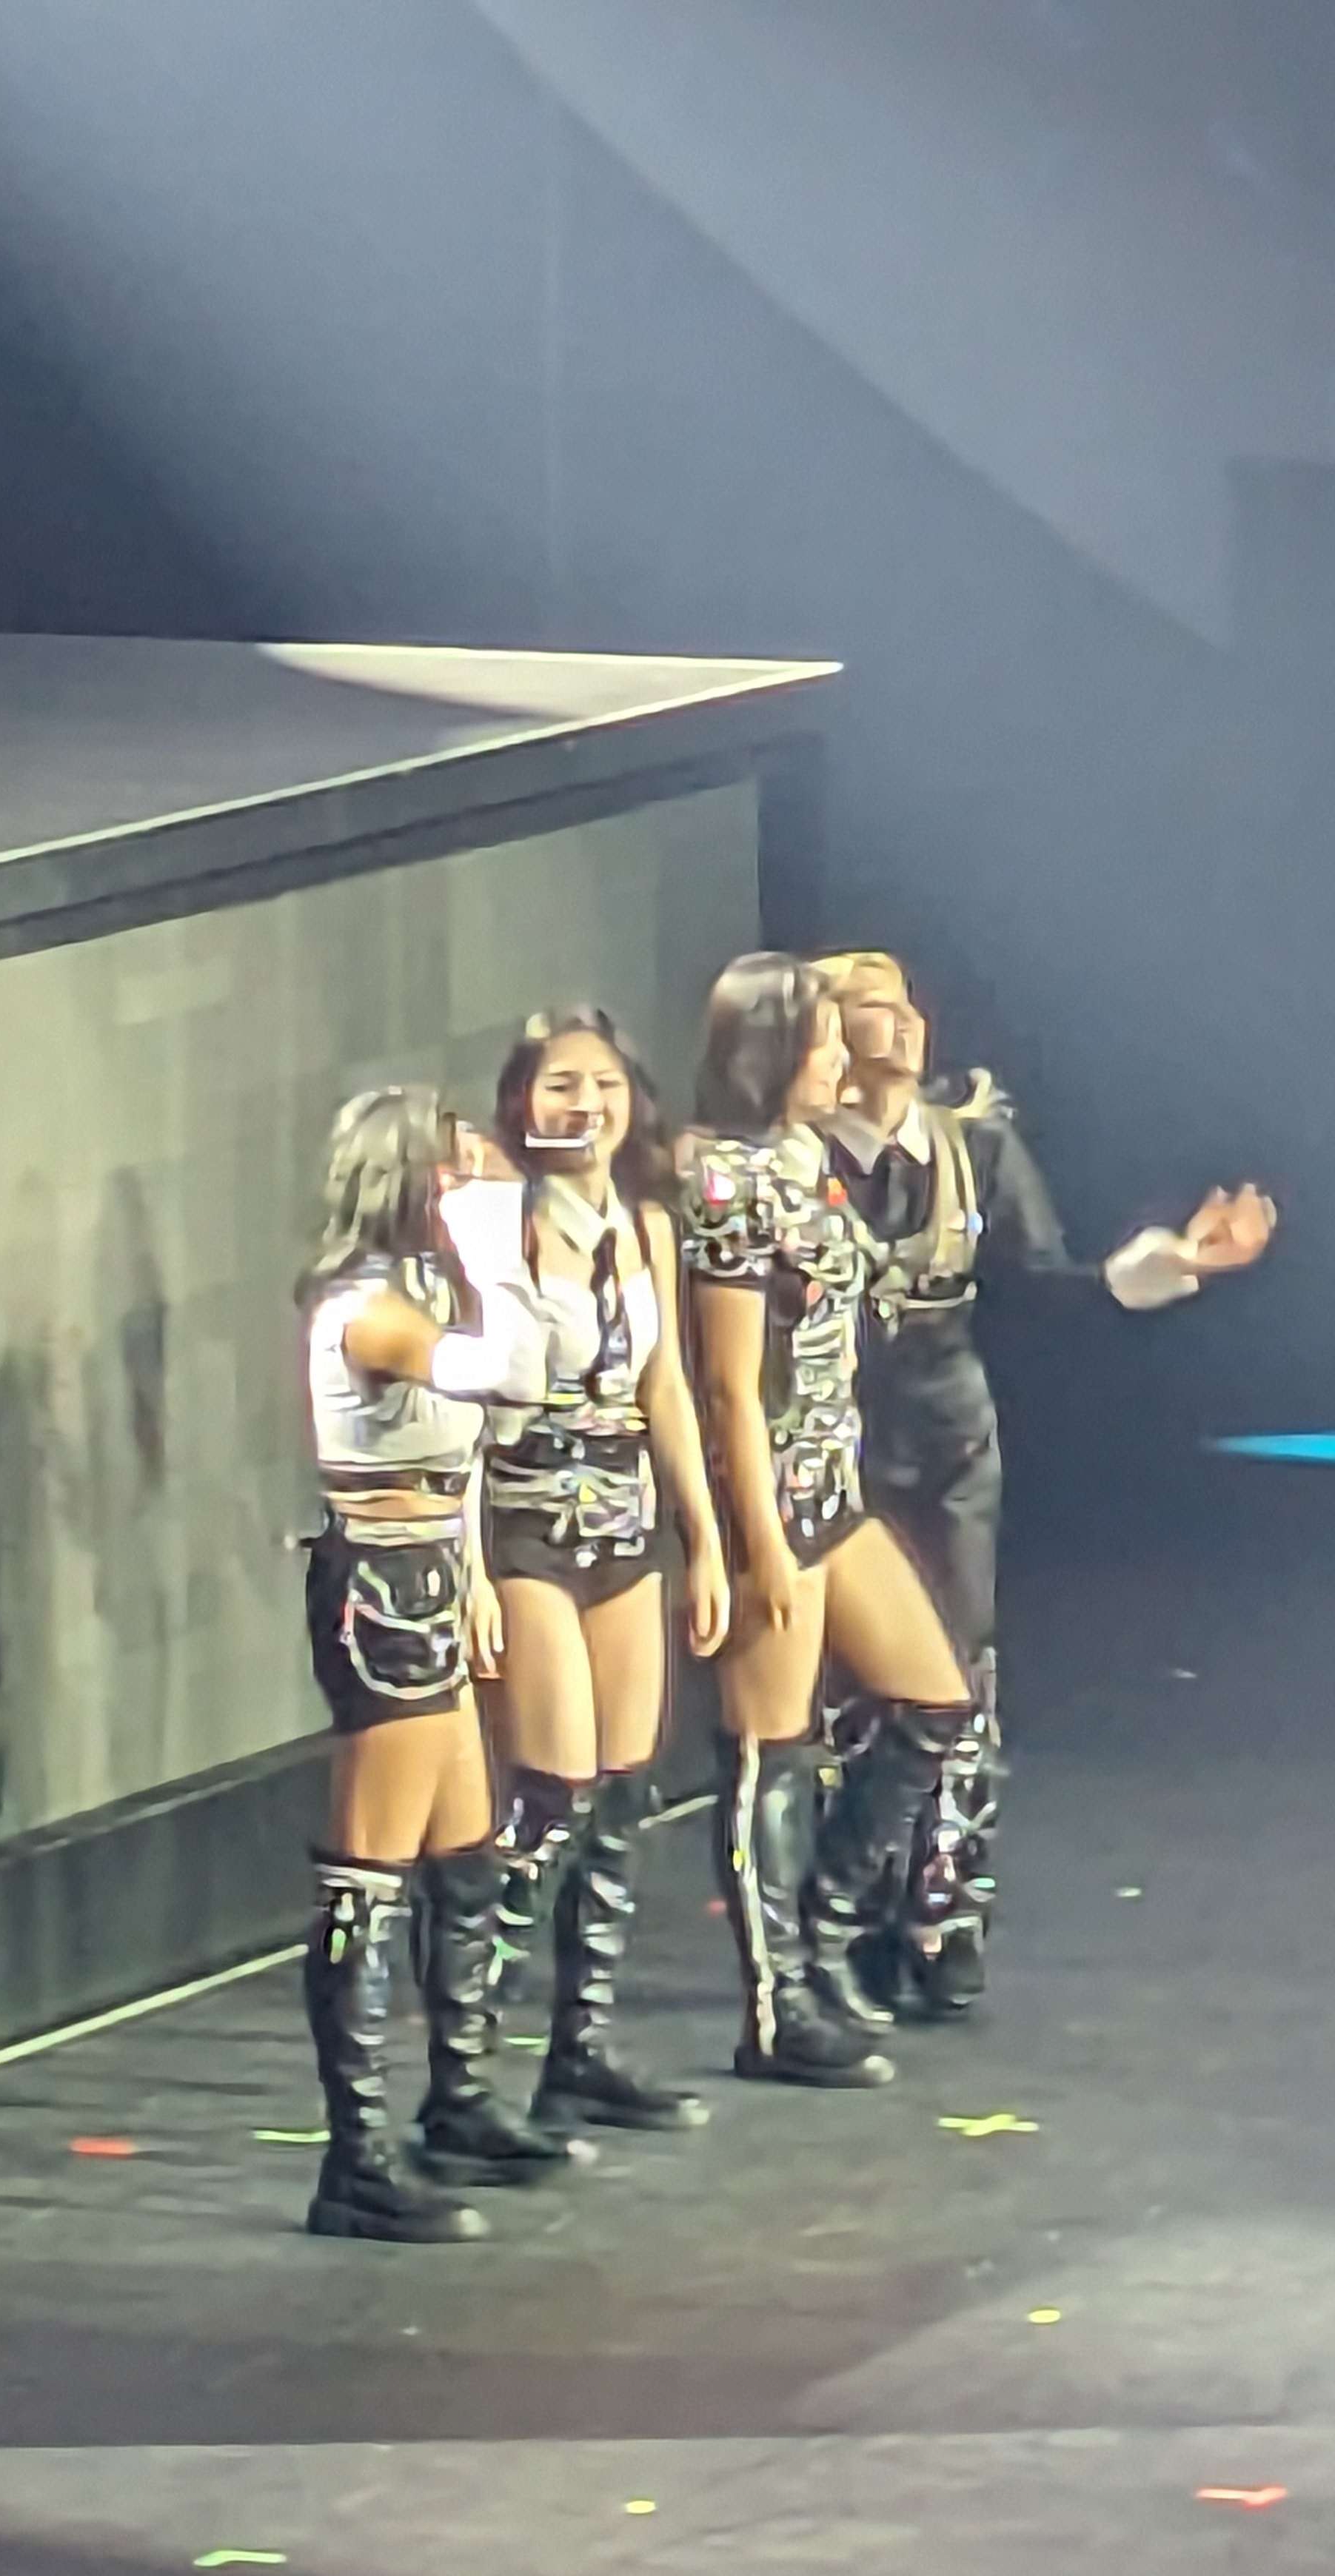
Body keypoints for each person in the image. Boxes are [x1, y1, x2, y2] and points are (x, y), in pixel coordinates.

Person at [814, 950, 1277, 2016]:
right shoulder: (793, 1159)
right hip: (832, 1440)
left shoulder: (971, 1141)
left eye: (907, 1005)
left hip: (945, 1439)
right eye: (872, 1010)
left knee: (957, 1672)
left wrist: (1175, 1264)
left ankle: (944, 1913)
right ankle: (848, 1916)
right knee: (850, 1689)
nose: (903, 1025)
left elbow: (1042, 1284)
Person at [295, 1084, 590, 2243]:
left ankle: (459, 2097)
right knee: (369, 1870)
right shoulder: (367, 1310)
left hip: (428, 1575)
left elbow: (480, 1442)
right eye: (456, 1170)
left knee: (467, 1849)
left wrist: (471, 1576)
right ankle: (354, 2157)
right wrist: (499, 1254)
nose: (480, 1185)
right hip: (379, 1588)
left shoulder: (420, 1294)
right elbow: (504, 1377)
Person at [678, 953, 974, 2089]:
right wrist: (756, 1541)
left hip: (831, 1483)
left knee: (934, 1700)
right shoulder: (729, 1184)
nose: (839, 1061)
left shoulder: (805, 1166)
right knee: (772, 1749)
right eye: (823, 1044)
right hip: (771, 1495)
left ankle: (822, 1927)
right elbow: (727, 1385)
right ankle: (777, 2004)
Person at [446, 1007, 731, 2138]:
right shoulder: (495, 1227)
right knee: (550, 1793)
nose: (585, 1106)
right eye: (561, 1085)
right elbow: (465, 1409)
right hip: (526, 1519)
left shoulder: (645, 1227)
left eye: (603, 1085)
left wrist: (704, 1537)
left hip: (625, 1524)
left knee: (621, 1792)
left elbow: (667, 1390)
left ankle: (582, 2050)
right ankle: (465, 2072)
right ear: (523, 1103)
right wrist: (468, 1569)